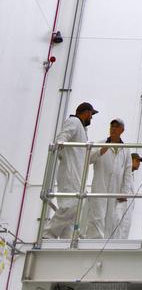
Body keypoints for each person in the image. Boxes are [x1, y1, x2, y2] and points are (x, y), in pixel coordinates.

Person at [45, 101, 97, 238]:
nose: (91, 118)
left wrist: (100, 151)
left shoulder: (82, 129)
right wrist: (61, 149)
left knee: (76, 207)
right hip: (70, 172)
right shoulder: (74, 121)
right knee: (71, 205)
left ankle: (66, 238)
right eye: (91, 115)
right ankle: (48, 233)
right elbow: (62, 138)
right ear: (86, 113)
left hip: (77, 172)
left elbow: (83, 156)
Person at [86, 119, 133, 239]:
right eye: (112, 126)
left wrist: (124, 191)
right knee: (97, 215)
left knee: (112, 218)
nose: (113, 129)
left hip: (115, 189)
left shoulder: (126, 150)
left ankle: (107, 244)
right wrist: (101, 151)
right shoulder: (101, 144)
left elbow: (127, 172)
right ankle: (93, 242)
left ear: (122, 130)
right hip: (100, 186)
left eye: (117, 127)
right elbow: (88, 159)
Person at [114, 153, 142, 240]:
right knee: (118, 230)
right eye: (137, 160)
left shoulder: (130, 175)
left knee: (124, 231)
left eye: (139, 161)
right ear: (130, 161)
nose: (139, 163)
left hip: (127, 208)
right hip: (120, 207)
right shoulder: (122, 172)